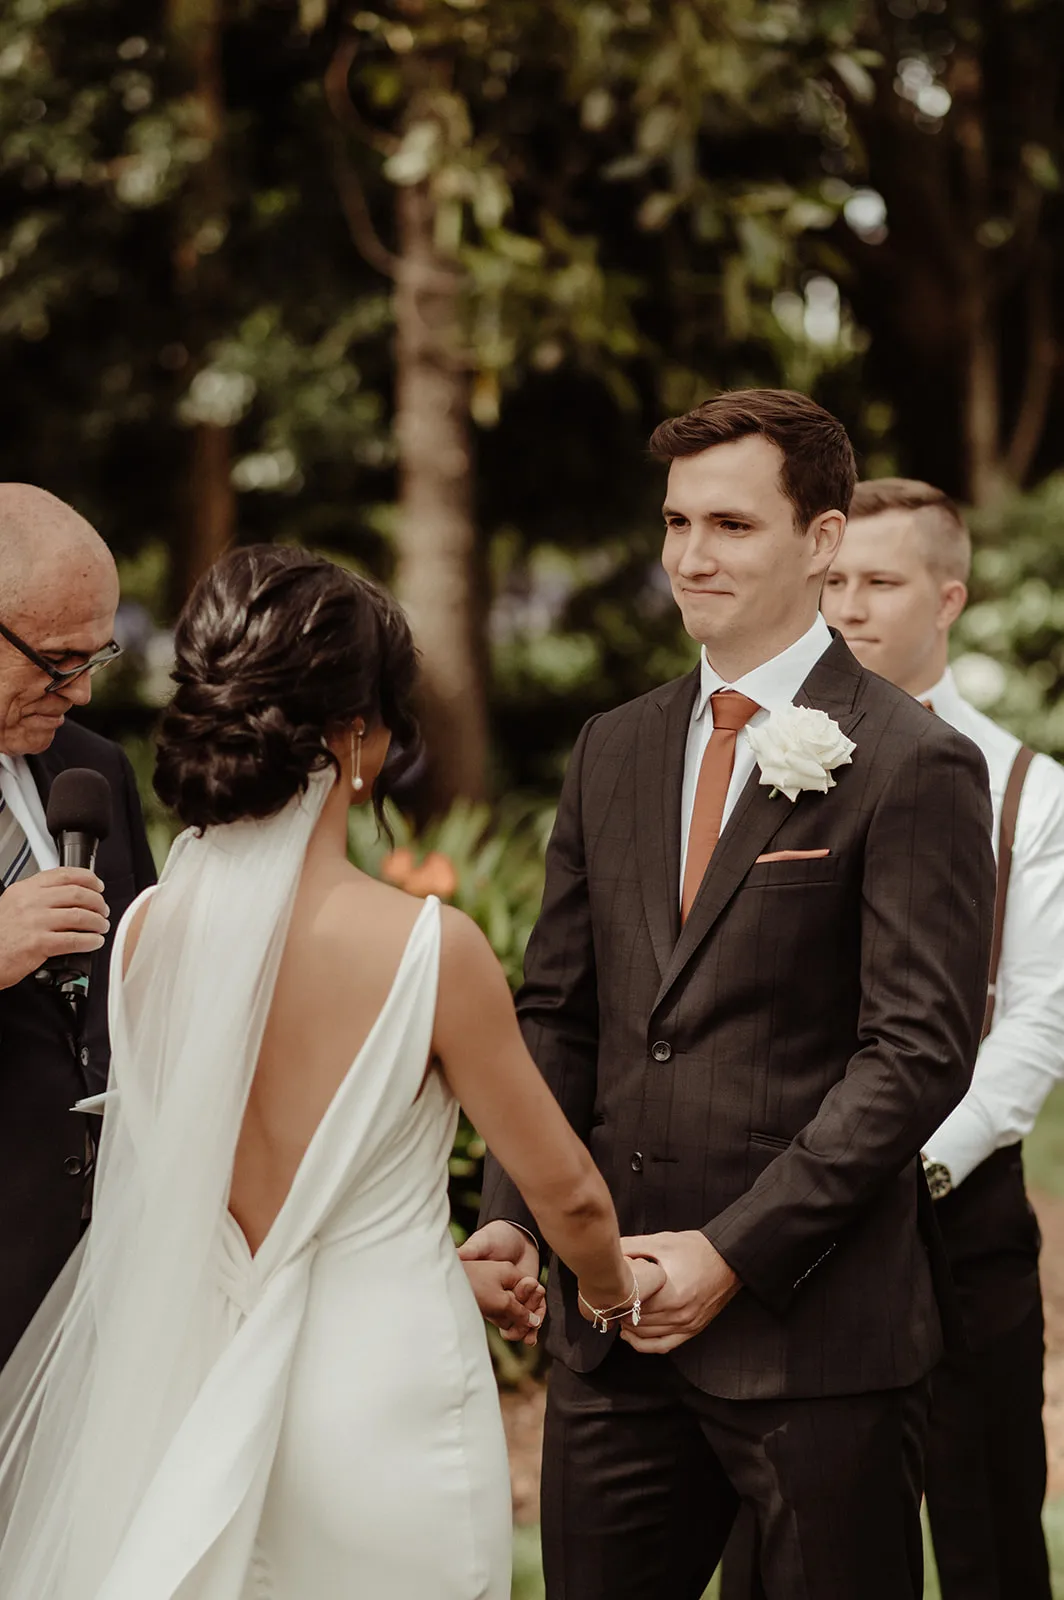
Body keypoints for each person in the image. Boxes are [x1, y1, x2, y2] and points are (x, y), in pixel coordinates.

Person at [0, 544, 660, 1600]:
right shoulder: (428, 949)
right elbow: (569, 1192)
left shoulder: (141, 937)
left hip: (199, 1395)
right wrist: (616, 1291)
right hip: (382, 1401)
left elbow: (170, 1213)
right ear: (355, 737)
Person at [461, 390, 996, 1600]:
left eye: (730, 526)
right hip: (609, 1342)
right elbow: (556, 1012)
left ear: (819, 540)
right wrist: (518, 1214)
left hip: (814, 1346)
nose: (690, 557)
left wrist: (728, 1255)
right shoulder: (615, 746)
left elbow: (913, 1053)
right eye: (674, 522)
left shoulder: (914, 761)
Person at [819, 477, 1064, 1600]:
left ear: (947, 595)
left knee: (988, 1540)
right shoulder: (771, 766)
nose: (845, 607)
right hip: (797, 1227)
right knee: (807, 1541)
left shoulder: (1028, 791)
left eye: (878, 581)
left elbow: (1033, 1019)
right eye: (831, 581)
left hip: (956, 1213)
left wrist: (913, 1163)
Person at [0, 484, 155, 1366]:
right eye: (59, 661)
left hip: (103, 1279)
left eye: (98, 655)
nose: (85, 690)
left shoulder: (94, 770)